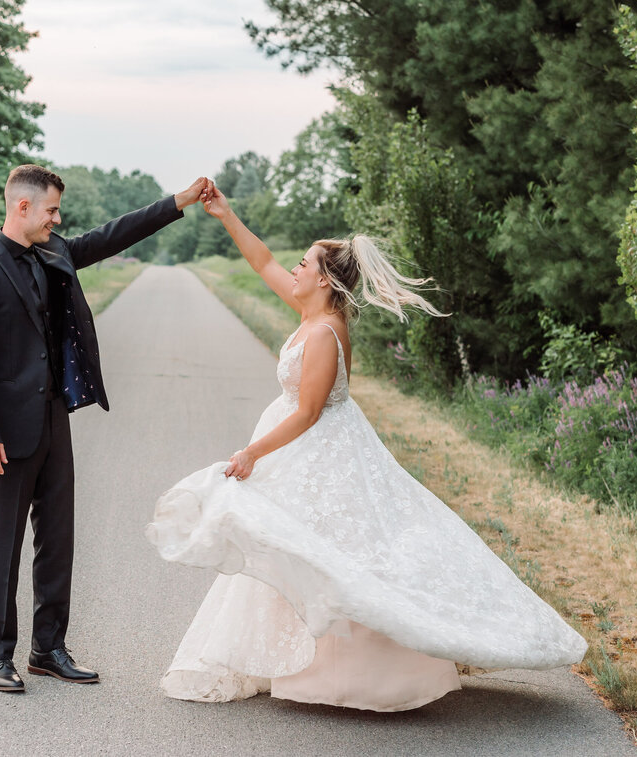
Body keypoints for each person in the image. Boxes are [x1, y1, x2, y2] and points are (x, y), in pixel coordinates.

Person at [146, 185, 587, 711]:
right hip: (305, 447)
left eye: (305, 262)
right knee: (295, 542)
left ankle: (354, 675)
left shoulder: (325, 333)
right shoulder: (309, 315)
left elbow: (309, 413)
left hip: (323, 448)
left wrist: (251, 453)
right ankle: (284, 655)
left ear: (325, 279)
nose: (295, 267)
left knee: (338, 549)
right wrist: (226, 215)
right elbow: (262, 261)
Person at [0, 164, 209, 693]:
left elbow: (112, 235)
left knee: (58, 540)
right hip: (7, 432)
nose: (58, 218)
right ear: (21, 207)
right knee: (3, 547)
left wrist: (177, 202)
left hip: (53, 418)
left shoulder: (54, 251)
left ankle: (48, 648)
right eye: (51, 210)